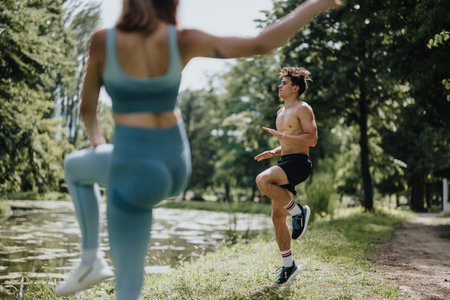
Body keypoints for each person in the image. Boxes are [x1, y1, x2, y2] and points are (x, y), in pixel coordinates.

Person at [55, 0, 341, 299]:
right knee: (78, 166)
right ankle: (289, 257)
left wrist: (102, 150)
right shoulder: (180, 39)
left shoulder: (104, 41)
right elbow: (261, 43)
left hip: (135, 166)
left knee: (77, 170)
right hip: (176, 165)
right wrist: (313, 5)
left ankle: (90, 258)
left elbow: (87, 108)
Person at [254, 66, 317, 285]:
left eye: (284, 83)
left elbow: (311, 139)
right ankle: (289, 266)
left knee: (262, 180)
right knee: (277, 217)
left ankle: (298, 211)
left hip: (299, 164)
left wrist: (282, 136)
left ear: (295, 88)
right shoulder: (280, 113)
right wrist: (274, 151)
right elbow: (289, 140)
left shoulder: (303, 108)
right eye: (280, 82)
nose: (280, 86)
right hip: (285, 161)